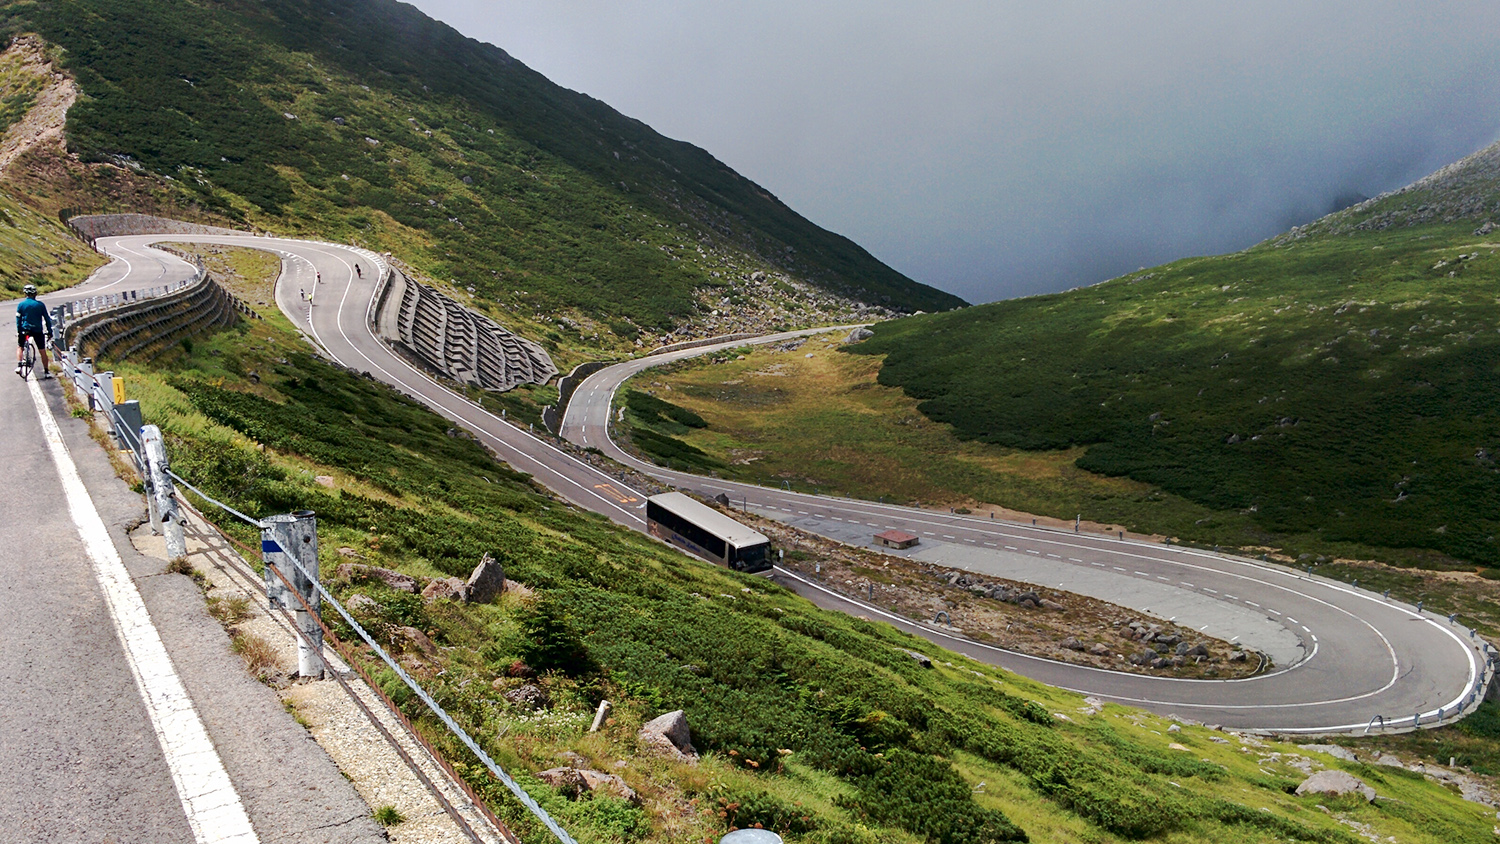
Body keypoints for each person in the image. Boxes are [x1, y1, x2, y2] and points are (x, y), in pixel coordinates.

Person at [15, 283, 52, 379]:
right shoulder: (40, 305)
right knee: (42, 350)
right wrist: (49, 331)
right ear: (35, 294)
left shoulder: (21, 305)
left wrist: (19, 331)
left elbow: (18, 320)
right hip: (37, 330)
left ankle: (19, 366)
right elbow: (47, 319)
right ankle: (46, 371)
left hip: (25, 329)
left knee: (20, 347)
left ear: (25, 294)